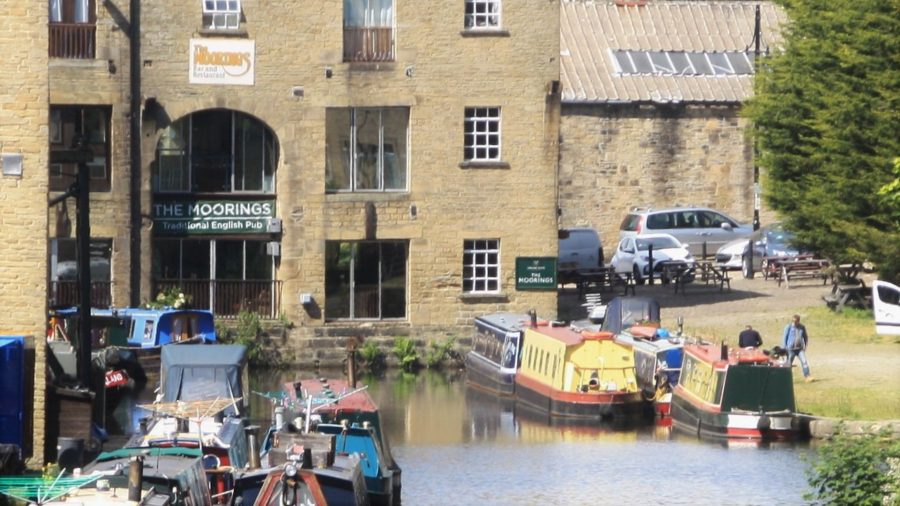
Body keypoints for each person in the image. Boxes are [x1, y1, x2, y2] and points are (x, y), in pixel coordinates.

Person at [782, 314, 813, 382]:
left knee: (804, 362)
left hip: (799, 349)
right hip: (790, 349)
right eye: (793, 321)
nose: (794, 322)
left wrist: (805, 345)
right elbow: (784, 337)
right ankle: (785, 378)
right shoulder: (788, 327)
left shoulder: (802, 327)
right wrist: (784, 348)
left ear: (798, 321)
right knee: (788, 364)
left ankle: (807, 376)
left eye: (795, 321)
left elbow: (805, 337)